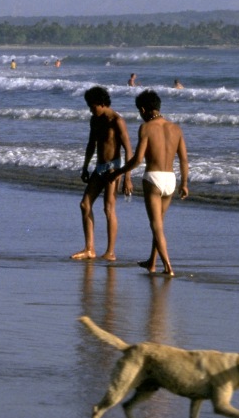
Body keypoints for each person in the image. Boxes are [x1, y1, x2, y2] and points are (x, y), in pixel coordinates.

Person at [108, 89, 188, 276]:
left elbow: (137, 159)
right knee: (159, 223)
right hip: (171, 179)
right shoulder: (176, 128)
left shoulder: (146, 128)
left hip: (153, 178)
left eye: (139, 111)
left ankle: (168, 267)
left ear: (144, 109)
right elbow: (184, 160)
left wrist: (119, 172)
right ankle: (152, 263)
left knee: (156, 225)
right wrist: (184, 183)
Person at [74, 86, 133, 261]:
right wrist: (85, 167)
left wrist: (127, 177)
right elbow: (91, 144)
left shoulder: (117, 121)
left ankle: (110, 252)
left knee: (108, 208)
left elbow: (128, 150)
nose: (90, 110)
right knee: (85, 205)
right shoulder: (95, 119)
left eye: (92, 106)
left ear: (101, 103)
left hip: (113, 168)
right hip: (99, 168)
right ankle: (89, 248)